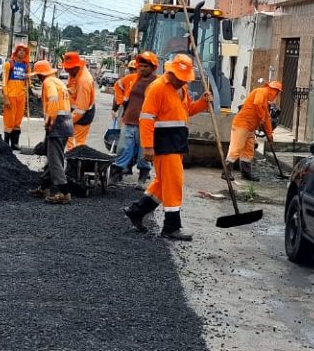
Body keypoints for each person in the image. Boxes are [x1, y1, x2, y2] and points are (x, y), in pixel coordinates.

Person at [123, 54, 210, 241]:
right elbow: (146, 118)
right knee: (174, 183)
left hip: (177, 141)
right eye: (180, 78)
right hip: (163, 143)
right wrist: (147, 147)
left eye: (185, 79)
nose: (182, 81)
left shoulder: (182, 89)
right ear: (170, 72)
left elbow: (185, 112)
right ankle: (171, 226)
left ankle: (136, 211)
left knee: (163, 184)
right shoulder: (157, 88)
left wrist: (203, 103)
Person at [107, 52, 159, 188]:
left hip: (147, 125)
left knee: (144, 153)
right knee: (123, 148)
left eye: (145, 66)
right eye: (140, 66)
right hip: (129, 120)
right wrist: (120, 101)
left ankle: (142, 179)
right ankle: (116, 175)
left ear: (153, 67)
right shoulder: (132, 79)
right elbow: (118, 85)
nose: (142, 69)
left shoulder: (157, 82)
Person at [27, 61, 73, 205]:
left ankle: (64, 193)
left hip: (57, 123)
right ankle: (43, 187)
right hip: (65, 122)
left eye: (38, 75)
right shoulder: (58, 81)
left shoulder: (48, 83)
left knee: (55, 160)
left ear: (40, 74)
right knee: (52, 155)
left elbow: (53, 99)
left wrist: (49, 122)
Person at [225, 80, 282, 182]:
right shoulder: (261, 91)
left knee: (248, 151)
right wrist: (261, 119)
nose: (276, 96)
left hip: (250, 128)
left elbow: (267, 118)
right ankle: (226, 172)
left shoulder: (265, 102)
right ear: (273, 90)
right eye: (277, 93)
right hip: (241, 125)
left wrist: (269, 134)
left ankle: (246, 173)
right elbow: (257, 104)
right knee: (236, 148)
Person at [62, 51, 96, 150]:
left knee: (77, 143)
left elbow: (81, 109)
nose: (66, 70)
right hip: (75, 111)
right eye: (66, 68)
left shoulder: (84, 82)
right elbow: (72, 89)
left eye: (69, 69)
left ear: (76, 67)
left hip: (83, 115)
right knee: (70, 139)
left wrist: (68, 121)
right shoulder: (75, 72)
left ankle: (76, 162)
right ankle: (72, 160)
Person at [0, 44, 31, 151]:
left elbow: (28, 83)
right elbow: (4, 81)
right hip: (11, 96)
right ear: (16, 52)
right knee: (9, 119)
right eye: (20, 50)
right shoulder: (9, 64)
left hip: (21, 97)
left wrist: (28, 78)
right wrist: (5, 97)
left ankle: (15, 143)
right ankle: (5, 144)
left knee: (18, 120)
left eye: (24, 51)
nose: (22, 52)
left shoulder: (26, 66)